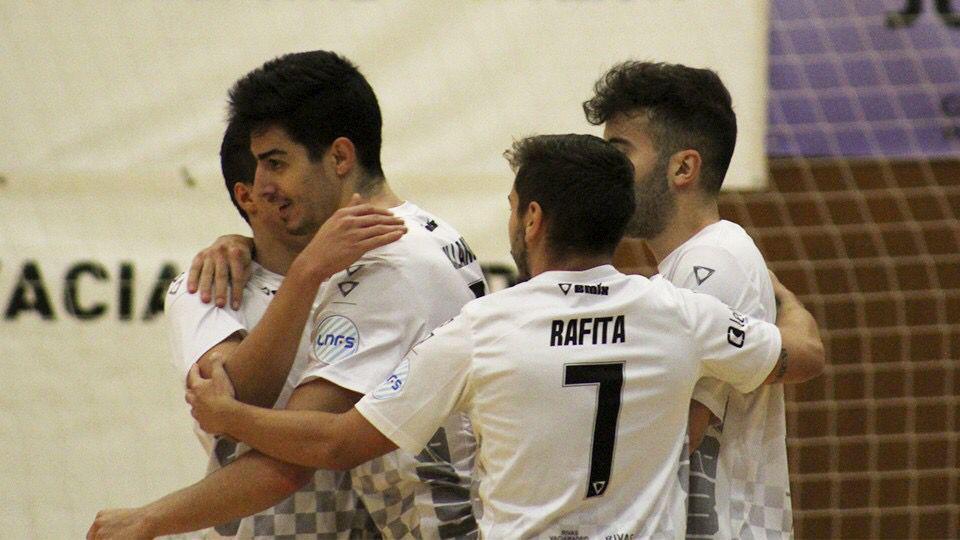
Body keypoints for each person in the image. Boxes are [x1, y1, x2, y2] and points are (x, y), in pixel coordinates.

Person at [184, 134, 825, 538]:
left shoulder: (485, 328)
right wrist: (785, 301)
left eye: (514, 205)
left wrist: (230, 414)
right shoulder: (679, 313)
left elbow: (338, 441)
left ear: (534, 219)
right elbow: (803, 357)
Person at [88, 50, 484, 539]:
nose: (263, 185)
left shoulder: (382, 264)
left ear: (340, 157)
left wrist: (149, 518)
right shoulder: (429, 232)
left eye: (276, 163)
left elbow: (305, 451)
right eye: (256, 168)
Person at [584, 60, 798, 539]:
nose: (606, 173)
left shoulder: (713, 262)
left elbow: (671, 433)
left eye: (620, 153)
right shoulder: (689, 262)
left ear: (683, 167)